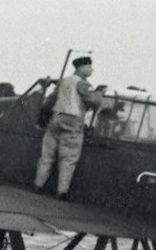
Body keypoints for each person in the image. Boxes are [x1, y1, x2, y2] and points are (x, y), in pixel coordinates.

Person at [34, 55, 110, 199]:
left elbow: (49, 101)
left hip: (55, 119)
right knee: (68, 158)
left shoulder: (64, 81)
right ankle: (62, 192)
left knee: (47, 156)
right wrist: (100, 93)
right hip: (73, 121)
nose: (92, 69)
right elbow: (93, 102)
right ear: (81, 68)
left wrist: (43, 117)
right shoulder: (83, 83)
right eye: (89, 67)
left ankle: (38, 185)